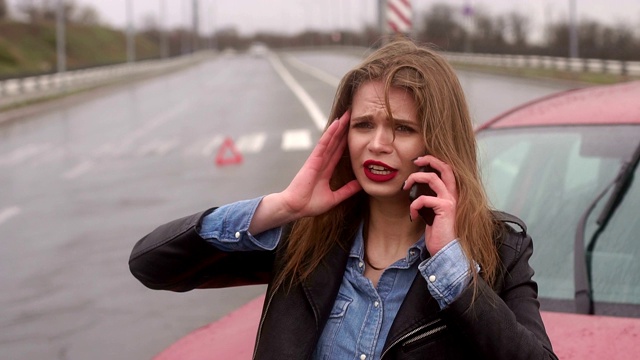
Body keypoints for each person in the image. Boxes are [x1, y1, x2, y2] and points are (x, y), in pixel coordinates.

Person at [129, 38, 557, 360]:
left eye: (402, 128)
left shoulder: (499, 250)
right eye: (364, 124)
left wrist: (451, 265)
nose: (378, 143)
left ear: (439, 140)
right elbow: (151, 265)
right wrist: (281, 208)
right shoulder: (306, 239)